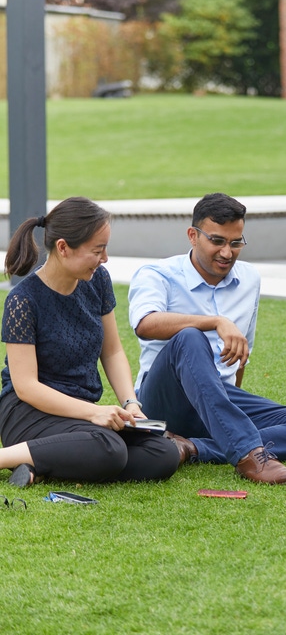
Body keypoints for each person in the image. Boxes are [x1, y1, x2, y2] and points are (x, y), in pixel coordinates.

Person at [128, 192, 286, 484]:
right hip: (164, 400)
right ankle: (248, 455)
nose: (227, 252)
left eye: (236, 243)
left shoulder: (249, 279)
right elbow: (144, 323)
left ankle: (191, 446)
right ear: (192, 235)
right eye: (217, 241)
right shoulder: (157, 274)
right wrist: (215, 322)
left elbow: (240, 353)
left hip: (218, 397)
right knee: (189, 337)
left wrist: (224, 412)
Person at [0, 197, 179, 488]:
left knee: (163, 453)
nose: (105, 258)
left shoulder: (97, 281)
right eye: (98, 250)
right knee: (108, 448)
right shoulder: (23, 301)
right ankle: (7, 457)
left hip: (78, 416)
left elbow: (112, 351)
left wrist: (130, 403)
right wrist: (95, 412)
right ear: (63, 248)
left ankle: (41, 464)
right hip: (29, 413)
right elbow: (26, 387)